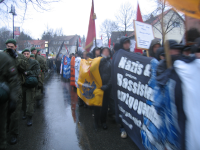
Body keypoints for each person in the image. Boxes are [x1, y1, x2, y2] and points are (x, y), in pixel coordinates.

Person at [5, 39, 28, 145]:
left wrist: (15, 57)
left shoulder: (20, 57)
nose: (9, 48)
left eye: (12, 47)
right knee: (4, 111)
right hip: (4, 87)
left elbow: (24, 67)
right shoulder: (2, 56)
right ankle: (5, 131)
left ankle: (14, 134)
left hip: (16, 87)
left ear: (15, 47)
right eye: (8, 46)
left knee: (14, 113)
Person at [0, 52, 20, 150]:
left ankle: (12, 134)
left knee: (9, 118)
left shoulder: (4, 58)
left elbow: (14, 79)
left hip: (4, 94)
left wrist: (13, 98)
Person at [94, 47, 112, 130]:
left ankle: (103, 122)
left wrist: (107, 86)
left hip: (106, 88)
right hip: (97, 87)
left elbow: (112, 76)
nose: (106, 52)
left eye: (107, 51)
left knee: (105, 106)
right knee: (97, 105)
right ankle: (96, 122)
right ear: (101, 52)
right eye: (104, 51)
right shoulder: (97, 61)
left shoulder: (111, 62)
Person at [21, 49, 40, 126]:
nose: (26, 55)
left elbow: (37, 71)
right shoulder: (19, 62)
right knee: (23, 101)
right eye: (24, 54)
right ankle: (24, 113)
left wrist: (27, 73)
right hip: (21, 84)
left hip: (30, 83)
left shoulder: (34, 62)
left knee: (30, 101)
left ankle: (29, 117)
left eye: (27, 54)